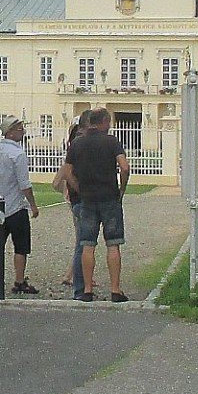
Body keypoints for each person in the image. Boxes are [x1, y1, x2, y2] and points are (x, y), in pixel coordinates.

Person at [67, 107, 132, 303]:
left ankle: (86, 289)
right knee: (113, 244)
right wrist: (122, 188)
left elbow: (68, 171)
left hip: (87, 198)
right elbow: (124, 167)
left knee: (87, 244)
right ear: (104, 122)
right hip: (109, 197)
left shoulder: (77, 143)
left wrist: (78, 188)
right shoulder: (111, 141)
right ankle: (115, 289)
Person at [0, 119, 40, 296]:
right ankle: (19, 281)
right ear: (10, 132)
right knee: (21, 246)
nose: (23, 132)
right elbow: (24, 184)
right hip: (16, 207)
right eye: (20, 129)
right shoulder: (18, 154)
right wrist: (33, 205)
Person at [55, 115, 87, 296]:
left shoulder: (72, 145)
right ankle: (75, 276)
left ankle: (75, 273)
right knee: (82, 240)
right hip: (76, 197)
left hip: (72, 196)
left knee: (81, 238)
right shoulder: (77, 147)